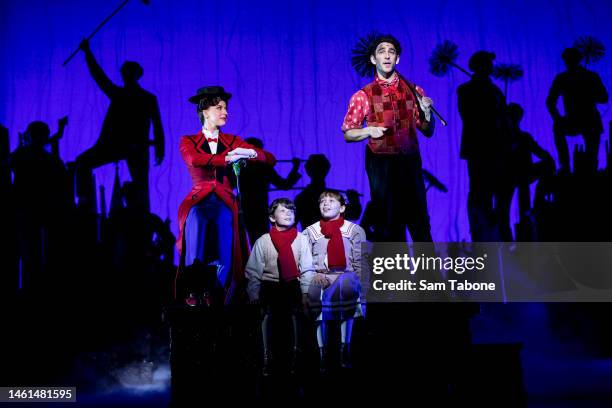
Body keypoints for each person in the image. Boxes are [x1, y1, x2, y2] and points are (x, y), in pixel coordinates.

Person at [176, 86, 272, 305]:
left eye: (225, 108)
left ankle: (220, 289)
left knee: (226, 243)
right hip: (199, 197)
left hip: (226, 198)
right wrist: (228, 158)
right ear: (205, 111)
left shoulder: (232, 139)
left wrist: (251, 152)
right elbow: (193, 160)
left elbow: (269, 158)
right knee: (196, 235)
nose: (225, 112)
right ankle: (194, 288)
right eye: (219, 108)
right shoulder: (188, 140)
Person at [342, 34, 435, 242]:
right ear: (373, 59)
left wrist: (428, 114)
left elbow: (427, 130)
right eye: (381, 52)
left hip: (409, 162)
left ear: (397, 58)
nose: (386, 56)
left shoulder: (414, 90)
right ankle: (394, 274)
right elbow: (348, 132)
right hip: (381, 163)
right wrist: (368, 131)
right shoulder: (363, 95)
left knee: (420, 222)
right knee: (390, 223)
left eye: (391, 52)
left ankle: (429, 274)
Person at [76, 39, 165, 213]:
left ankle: (85, 202)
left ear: (135, 75)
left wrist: (160, 149)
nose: (125, 76)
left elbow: (157, 125)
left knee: (141, 186)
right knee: (83, 163)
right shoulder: (129, 95)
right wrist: (87, 53)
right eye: (124, 73)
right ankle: (84, 203)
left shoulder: (144, 98)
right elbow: (99, 76)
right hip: (119, 146)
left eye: (128, 73)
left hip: (132, 147)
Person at [245, 198, 314, 376]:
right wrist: (254, 294)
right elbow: (253, 271)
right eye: (283, 211)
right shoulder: (263, 240)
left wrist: (306, 292)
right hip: (270, 286)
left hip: (292, 285)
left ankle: (296, 357)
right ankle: (267, 357)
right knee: (268, 318)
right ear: (272, 217)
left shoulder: (301, 239)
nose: (288, 213)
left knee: (297, 318)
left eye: (291, 211)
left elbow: (307, 268)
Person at [303, 191, 366, 372]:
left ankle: (344, 348)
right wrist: (314, 274)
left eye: (331, 201)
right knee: (315, 293)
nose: (326, 204)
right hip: (321, 275)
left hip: (346, 274)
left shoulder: (353, 230)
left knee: (345, 290)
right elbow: (305, 261)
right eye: (323, 201)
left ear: (343, 207)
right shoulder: (311, 232)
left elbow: (360, 261)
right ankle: (322, 351)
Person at [457, 50, 507, 241]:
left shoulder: (494, 90)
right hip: (478, 146)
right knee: (479, 188)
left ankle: (495, 225)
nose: (491, 67)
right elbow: (469, 117)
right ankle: (480, 225)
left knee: (494, 186)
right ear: (480, 67)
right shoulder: (466, 90)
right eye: (488, 63)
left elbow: (503, 116)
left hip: (496, 146)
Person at [546, 47, 608, 173]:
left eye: (571, 59)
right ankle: (565, 167)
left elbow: (604, 97)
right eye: (567, 60)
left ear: (577, 60)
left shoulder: (590, 77)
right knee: (558, 128)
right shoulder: (562, 78)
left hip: (590, 119)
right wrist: (558, 119)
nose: (569, 62)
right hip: (575, 119)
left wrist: (589, 92)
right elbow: (550, 102)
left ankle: (584, 169)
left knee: (591, 153)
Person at [239, 137, 302, 245]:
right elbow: (284, 185)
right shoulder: (264, 167)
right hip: (260, 209)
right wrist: (295, 167)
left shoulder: (239, 167)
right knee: (261, 241)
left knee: (243, 243)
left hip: (243, 208)